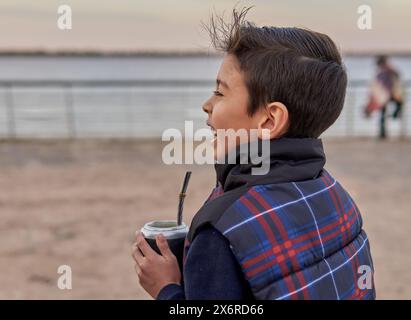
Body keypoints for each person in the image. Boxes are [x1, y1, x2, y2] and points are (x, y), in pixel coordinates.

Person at [131, 7, 375, 300]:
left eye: (220, 93)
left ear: (270, 120)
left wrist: (166, 289)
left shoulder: (221, 231)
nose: (207, 104)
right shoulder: (336, 194)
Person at [365, 55, 404, 139]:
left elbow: (397, 77)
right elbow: (377, 85)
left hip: (389, 95)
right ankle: (383, 133)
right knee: (383, 114)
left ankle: (393, 117)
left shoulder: (389, 70)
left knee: (397, 105)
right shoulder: (381, 72)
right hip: (384, 96)